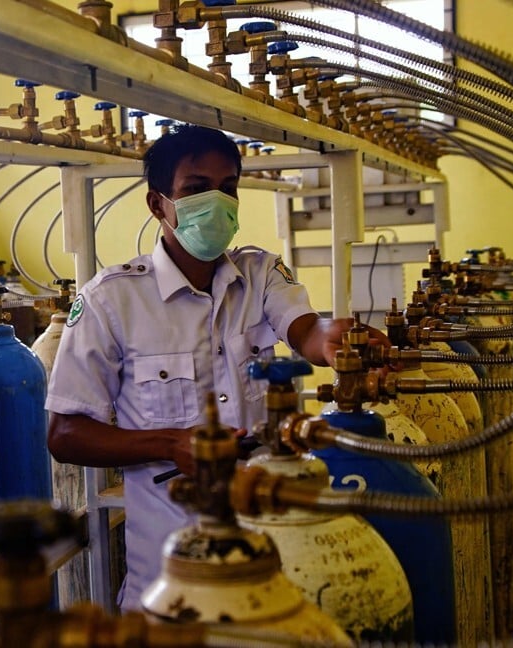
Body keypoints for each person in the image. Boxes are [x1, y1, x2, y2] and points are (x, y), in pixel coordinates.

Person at [45, 124, 387, 611]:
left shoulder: (259, 275)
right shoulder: (111, 301)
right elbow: (65, 434)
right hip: (169, 578)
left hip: (269, 560)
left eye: (228, 189)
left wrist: (334, 341)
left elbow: (306, 330)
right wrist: (169, 444)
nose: (217, 202)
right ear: (158, 204)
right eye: (196, 188)